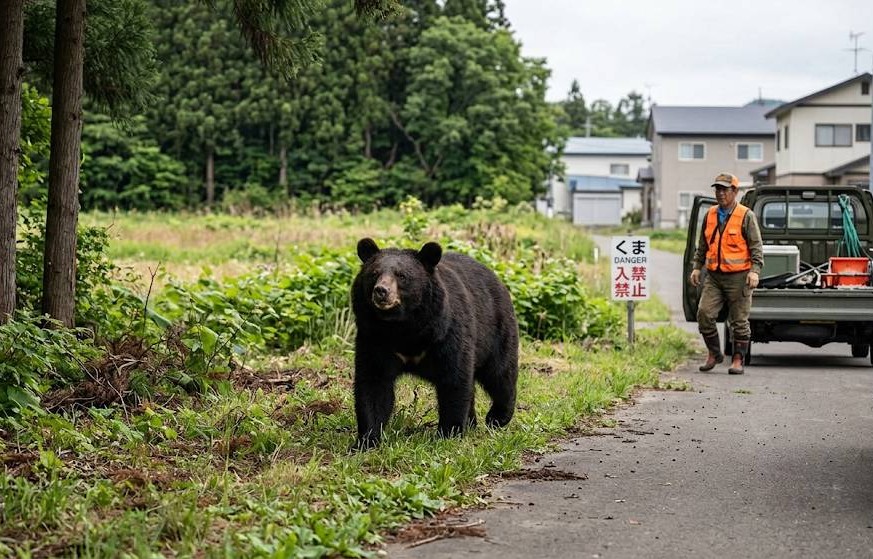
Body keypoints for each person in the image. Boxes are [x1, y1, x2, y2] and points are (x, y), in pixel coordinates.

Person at [689, 172, 764, 374]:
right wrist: (697, 267)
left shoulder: (746, 216)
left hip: (739, 277)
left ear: (735, 192)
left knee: (739, 321)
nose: (720, 193)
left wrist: (755, 271)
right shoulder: (710, 214)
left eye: (725, 189)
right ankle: (714, 353)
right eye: (717, 189)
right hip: (714, 276)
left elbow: (756, 247)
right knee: (704, 313)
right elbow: (702, 244)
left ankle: (738, 359)